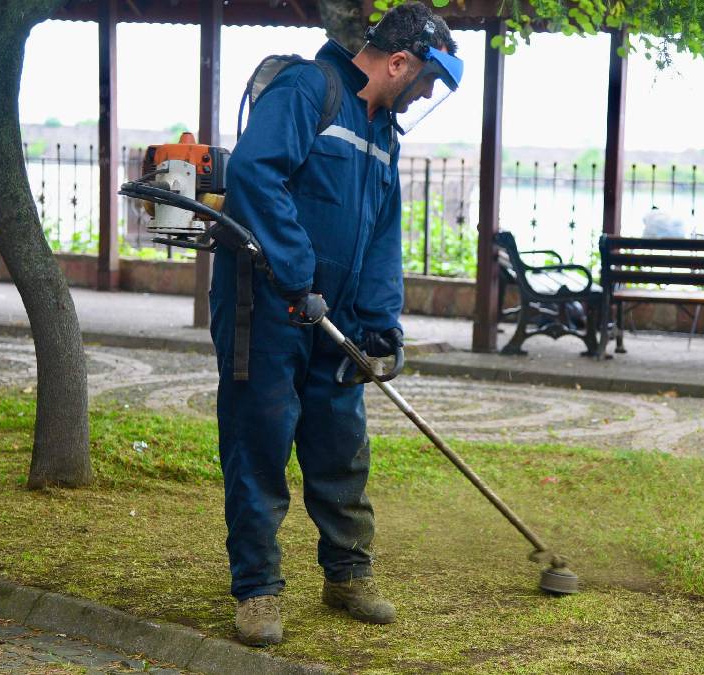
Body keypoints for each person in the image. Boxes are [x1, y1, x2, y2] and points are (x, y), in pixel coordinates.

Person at [209, 2, 461, 647]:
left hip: (336, 317)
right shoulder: (306, 90)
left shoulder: (383, 135)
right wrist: (297, 278)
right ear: (398, 62)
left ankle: (347, 574)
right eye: (427, 81)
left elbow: (381, 234)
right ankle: (257, 590)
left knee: (341, 444)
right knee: (259, 443)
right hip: (266, 305)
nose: (425, 95)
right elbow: (255, 175)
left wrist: (380, 323)